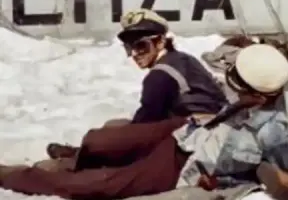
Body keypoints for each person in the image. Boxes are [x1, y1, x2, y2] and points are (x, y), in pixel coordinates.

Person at [0, 44, 288, 200]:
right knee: (101, 140)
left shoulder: (272, 130)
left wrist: (224, 182)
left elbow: (269, 170)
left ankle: (16, 176)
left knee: (92, 187)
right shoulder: (252, 97)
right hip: (186, 132)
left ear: (258, 93)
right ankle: (79, 158)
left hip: (183, 164)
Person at [44, 8, 228, 163]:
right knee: (114, 126)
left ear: (160, 42)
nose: (134, 54)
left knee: (106, 136)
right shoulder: (183, 59)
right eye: (129, 48)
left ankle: (80, 158)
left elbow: (144, 123)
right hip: (210, 127)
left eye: (141, 46)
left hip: (192, 134)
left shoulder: (160, 75)